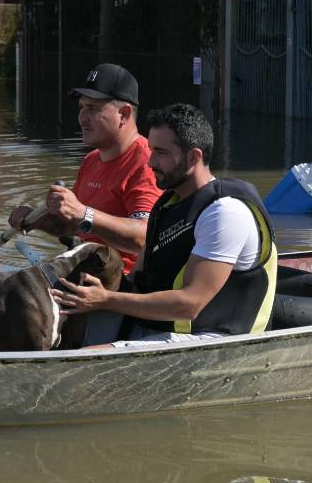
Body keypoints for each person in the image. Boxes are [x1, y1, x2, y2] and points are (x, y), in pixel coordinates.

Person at [51, 103, 279, 347]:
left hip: (212, 338)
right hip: (156, 325)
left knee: (87, 358)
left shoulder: (225, 214)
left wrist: (106, 300)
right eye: (150, 150)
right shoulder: (168, 203)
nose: (150, 163)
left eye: (160, 153)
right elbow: (138, 279)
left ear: (194, 157)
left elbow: (190, 304)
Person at [9, 63, 163, 274]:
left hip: (120, 285)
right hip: (83, 270)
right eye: (81, 107)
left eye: (93, 108)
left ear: (124, 114)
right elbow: (78, 226)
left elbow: (143, 238)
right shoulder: (92, 160)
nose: (82, 117)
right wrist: (37, 220)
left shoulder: (145, 164)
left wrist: (83, 212)